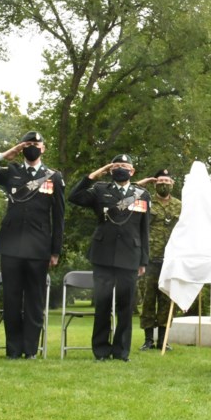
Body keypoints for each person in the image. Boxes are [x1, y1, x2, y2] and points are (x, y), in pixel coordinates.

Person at [0, 131, 65, 359]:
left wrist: (55, 250)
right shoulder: (10, 171)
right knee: (11, 299)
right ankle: (13, 349)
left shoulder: (54, 176)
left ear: (43, 148)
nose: (32, 147)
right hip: (11, 245)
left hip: (39, 247)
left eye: (36, 144)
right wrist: (5, 154)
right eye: (28, 144)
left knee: (34, 300)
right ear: (22, 148)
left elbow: (59, 216)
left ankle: (30, 349)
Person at [69, 153, 150, 362]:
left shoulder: (142, 194)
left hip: (131, 255)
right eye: (116, 166)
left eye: (125, 166)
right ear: (110, 170)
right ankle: (101, 350)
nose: (120, 169)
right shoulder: (100, 189)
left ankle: (121, 351)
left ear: (132, 171)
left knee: (125, 307)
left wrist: (143, 260)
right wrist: (96, 174)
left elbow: (144, 229)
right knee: (103, 304)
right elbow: (74, 196)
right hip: (103, 254)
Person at [134, 168, 181, 351]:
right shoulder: (145, 201)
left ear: (173, 184)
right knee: (147, 298)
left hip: (170, 260)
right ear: (155, 183)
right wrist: (144, 182)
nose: (164, 184)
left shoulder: (179, 205)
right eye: (160, 181)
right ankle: (148, 339)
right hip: (148, 257)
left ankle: (163, 339)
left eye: (167, 181)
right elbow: (128, 192)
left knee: (167, 299)